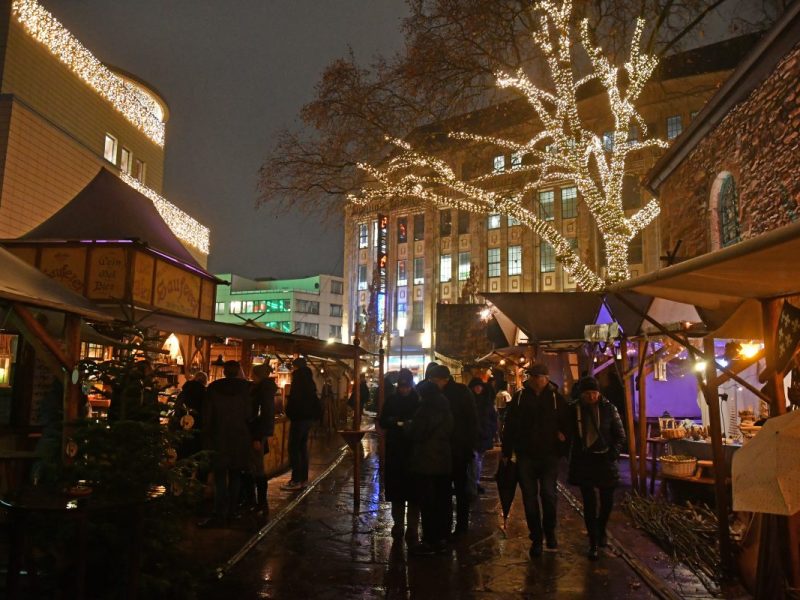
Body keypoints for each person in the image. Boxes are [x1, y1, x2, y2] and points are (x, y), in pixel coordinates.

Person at [501, 362, 569, 557]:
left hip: (549, 455)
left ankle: (550, 531)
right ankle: (536, 538)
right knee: (529, 499)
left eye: (538, 377)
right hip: (526, 455)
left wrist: (562, 444)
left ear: (546, 378)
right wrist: (507, 451)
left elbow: (567, 424)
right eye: (532, 377)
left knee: (548, 495)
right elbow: (510, 425)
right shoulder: (520, 397)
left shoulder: (556, 398)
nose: (535, 380)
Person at [567, 376, 626, 560]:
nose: (591, 397)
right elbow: (566, 431)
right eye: (587, 393)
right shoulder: (574, 409)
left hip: (605, 459)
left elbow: (620, 435)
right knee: (589, 503)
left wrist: (613, 454)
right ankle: (593, 541)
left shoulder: (609, 408)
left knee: (607, 501)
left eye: (594, 393)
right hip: (585, 460)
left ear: (599, 393)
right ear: (582, 394)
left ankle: (601, 528)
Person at [407, 365, 453, 555]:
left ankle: (430, 541)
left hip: (426, 460)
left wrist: (408, 426)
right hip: (443, 459)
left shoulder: (425, 409)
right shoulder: (445, 405)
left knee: (428, 502)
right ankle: (441, 538)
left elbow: (418, 432)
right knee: (441, 500)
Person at [199, 361, 252, 528]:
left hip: (218, 438)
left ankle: (219, 513)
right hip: (239, 438)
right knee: (235, 476)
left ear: (223, 371)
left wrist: (206, 437)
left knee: (220, 478)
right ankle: (232, 512)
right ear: (238, 371)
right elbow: (250, 415)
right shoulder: (247, 389)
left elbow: (207, 417)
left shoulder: (213, 388)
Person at [379, 368, 420, 543]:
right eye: (402, 386)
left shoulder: (418, 400)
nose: (404, 389)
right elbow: (383, 420)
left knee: (413, 492)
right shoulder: (392, 400)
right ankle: (398, 524)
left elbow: (421, 422)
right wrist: (395, 422)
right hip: (395, 451)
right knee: (397, 492)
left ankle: (412, 527)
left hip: (412, 451)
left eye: (407, 386)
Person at [441, 367, 479, 536]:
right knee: (461, 487)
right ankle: (461, 525)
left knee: (446, 489)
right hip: (461, 448)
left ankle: (447, 526)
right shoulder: (463, 392)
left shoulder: (442, 395)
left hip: (448, 448)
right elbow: (473, 420)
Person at [282, 357, 321, 491]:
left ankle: (296, 480)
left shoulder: (298, 379)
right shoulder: (310, 380)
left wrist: (289, 411)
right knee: (302, 448)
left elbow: (295, 400)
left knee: (294, 448)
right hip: (308, 418)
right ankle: (303, 479)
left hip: (299, 418)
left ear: (296, 367)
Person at [242, 363, 277, 513]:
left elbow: (263, 415)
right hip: (257, 433)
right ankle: (255, 501)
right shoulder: (263, 389)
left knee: (256, 468)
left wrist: (257, 437)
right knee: (254, 467)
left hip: (256, 434)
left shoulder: (262, 391)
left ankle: (259, 502)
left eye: (253, 374)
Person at [468, 377, 497, 495]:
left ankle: (475, 482)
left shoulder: (487, 402)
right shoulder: (469, 401)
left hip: (484, 435)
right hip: (473, 435)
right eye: (476, 386)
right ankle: (473, 483)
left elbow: (493, 419)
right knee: (475, 460)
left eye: (480, 386)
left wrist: (491, 431)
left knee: (478, 460)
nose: (478, 389)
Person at [173, 371, 207, 458]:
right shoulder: (205, 395)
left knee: (182, 450)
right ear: (205, 382)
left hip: (182, 424)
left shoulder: (184, 392)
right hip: (198, 427)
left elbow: (176, 407)